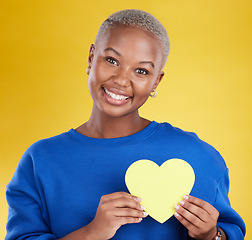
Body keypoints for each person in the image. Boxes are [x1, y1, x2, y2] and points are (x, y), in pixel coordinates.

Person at [5, 9, 245, 240]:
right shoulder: (40, 161)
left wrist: (211, 236)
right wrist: (92, 233)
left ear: (156, 82)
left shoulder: (198, 156)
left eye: (141, 71)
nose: (121, 80)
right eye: (111, 60)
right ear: (91, 57)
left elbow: (228, 232)